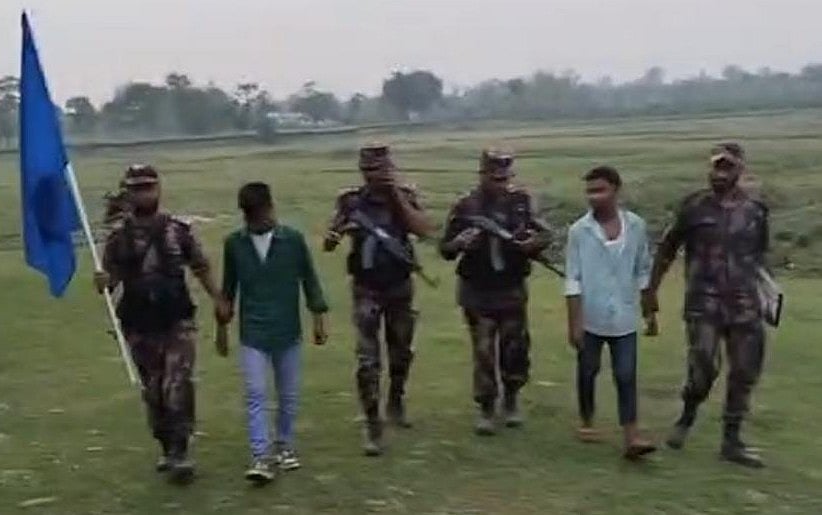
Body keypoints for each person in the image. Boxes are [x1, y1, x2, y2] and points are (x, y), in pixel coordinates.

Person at [94, 164, 222, 482]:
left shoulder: (177, 230)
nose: (143, 194)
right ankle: (166, 445)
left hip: (176, 320)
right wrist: (102, 282)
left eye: (148, 187)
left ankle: (180, 451)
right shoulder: (118, 238)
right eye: (136, 188)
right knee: (153, 391)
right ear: (128, 193)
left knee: (176, 384)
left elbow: (200, 266)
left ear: (158, 189)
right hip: (139, 324)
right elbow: (110, 283)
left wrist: (219, 298)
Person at [648, 145, 770, 468]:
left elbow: (759, 255)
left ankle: (732, 440)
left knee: (744, 371)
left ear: (740, 170)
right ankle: (687, 416)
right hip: (704, 303)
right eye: (715, 167)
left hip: (745, 304)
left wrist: (768, 294)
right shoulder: (694, 206)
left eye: (726, 168)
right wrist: (651, 291)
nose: (718, 174)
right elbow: (667, 249)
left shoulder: (756, 210)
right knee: (703, 368)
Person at [323, 142, 434, 456]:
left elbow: (424, 230)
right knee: (368, 360)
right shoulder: (350, 201)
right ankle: (373, 425)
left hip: (399, 286)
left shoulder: (405, 196)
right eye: (369, 170)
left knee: (401, 352)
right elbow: (329, 242)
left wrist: (396, 195)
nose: (375, 175)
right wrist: (335, 235)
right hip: (366, 288)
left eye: (381, 169)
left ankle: (396, 399)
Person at [217, 182, 329, 483]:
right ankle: (260, 455)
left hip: (287, 329)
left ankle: (284, 445)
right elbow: (228, 289)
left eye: (260, 213)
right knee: (255, 393)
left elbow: (309, 279)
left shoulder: (292, 241)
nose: (257, 220)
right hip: (253, 332)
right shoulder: (235, 245)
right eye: (250, 216)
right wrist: (222, 329)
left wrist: (318, 317)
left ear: (270, 207)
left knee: (288, 394)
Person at [439, 148, 550, 435]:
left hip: (511, 288)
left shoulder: (522, 202)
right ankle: (486, 407)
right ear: (482, 174)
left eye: (505, 178)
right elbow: (445, 249)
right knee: (484, 350)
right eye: (494, 177)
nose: (501, 183)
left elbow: (546, 233)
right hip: (477, 290)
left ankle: (511, 399)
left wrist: (533, 243)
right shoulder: (466, 205)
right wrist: (461, 243)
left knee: (515, 349)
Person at [564, 166, 657, 459]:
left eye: (600, 190)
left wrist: (650, 311)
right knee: (588, 370)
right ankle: (587, 420)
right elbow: (573, 279)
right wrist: (574, 322)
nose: (594, 197)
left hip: (624, 316)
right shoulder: (579, 231)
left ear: (616, 190)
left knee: (626, 374)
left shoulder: (636, 226)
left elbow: (643, 270)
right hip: (590, 316)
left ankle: (631, 437)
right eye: (589, 191)